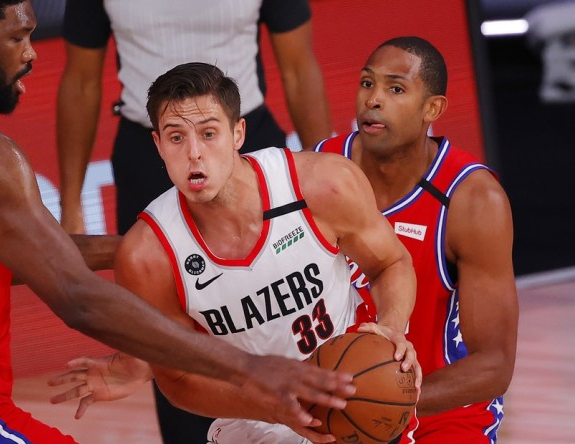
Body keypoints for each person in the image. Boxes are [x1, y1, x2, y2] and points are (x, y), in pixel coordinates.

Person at [0, 2, 358, 442]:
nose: (31, 53)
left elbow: (15, 256)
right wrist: (251, 368)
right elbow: (77, 296)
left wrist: (156, 248)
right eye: (18, 37)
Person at [50, 62, 420, 444]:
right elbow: (178, 380)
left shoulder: (324, 185)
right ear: (158, 145)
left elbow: (391, 263)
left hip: (356, 388)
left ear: (237, 133)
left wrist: (391, 327)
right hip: (254, 418)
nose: (194, 153)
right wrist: (273, 406)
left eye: (209, 134)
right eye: (176, 138)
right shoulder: (147, 255)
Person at [57, 3, 331, 438]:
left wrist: (324, 170)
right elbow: (81, 81)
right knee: (168, 338)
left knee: (284, 309)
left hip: (244, 142)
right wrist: (70, 203)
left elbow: (299, 67)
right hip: (150, 158)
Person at [312, 36, 519, 443]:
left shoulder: (473, 200)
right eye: (367, 83)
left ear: (433, 109)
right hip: (332, 404)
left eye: (395, 88)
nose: (373, 100)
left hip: (439, 413)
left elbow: (494, 364)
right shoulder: (319, 170)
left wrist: (383, 398)